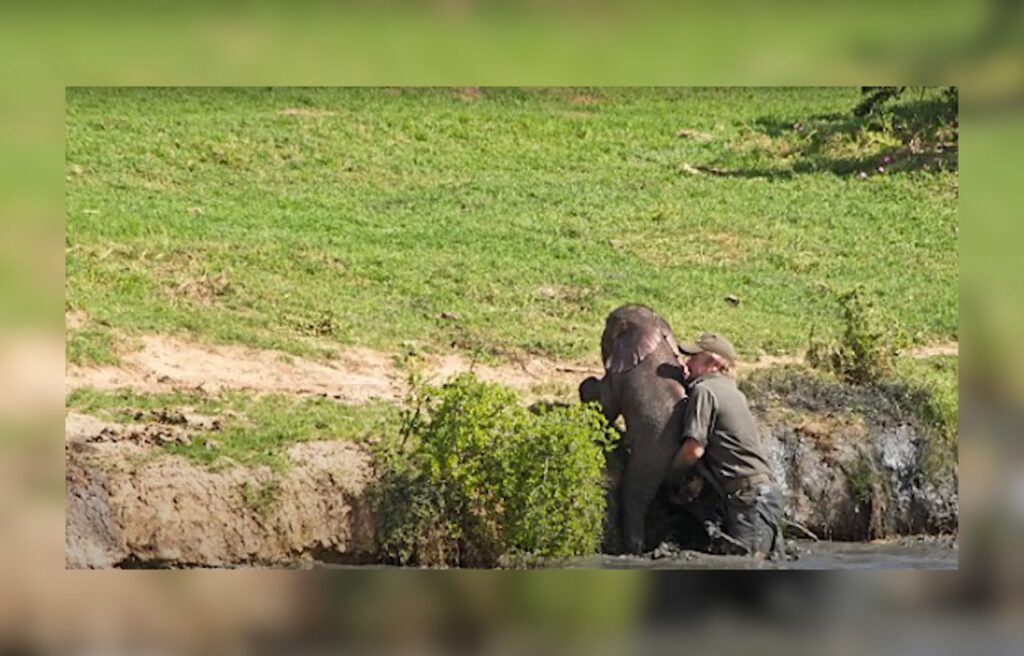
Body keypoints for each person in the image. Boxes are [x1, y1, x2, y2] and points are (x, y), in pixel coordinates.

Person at [668, 332, 784, 558]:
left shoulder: (704, 391)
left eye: (694, 358)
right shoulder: (734, 393)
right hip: (764, 495)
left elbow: (694, 449)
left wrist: (670, 477)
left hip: (749, 500)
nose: (687, 363)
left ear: (714, 364)